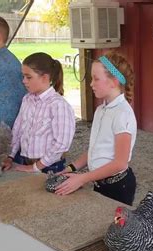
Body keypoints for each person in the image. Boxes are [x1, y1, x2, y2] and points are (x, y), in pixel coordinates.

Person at [55, 51, 137, 206]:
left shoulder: (122, 114)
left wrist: (82, 178)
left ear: (113, 81)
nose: (91, 83)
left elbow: (120, 163)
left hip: (117, 186)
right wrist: (71, 168)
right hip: (99, 181)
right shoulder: (101, 110)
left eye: (96, 79)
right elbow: (95, 149)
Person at [2, 52, 75, 174]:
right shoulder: (27, 99)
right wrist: (10, 157)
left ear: (45, 78)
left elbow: (62, 143)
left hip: (50, 167)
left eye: (28, 77)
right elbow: (18, 130)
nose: (24, 81)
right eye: (23, 76)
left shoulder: (58, 105)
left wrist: (36, 167)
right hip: (25, 162)